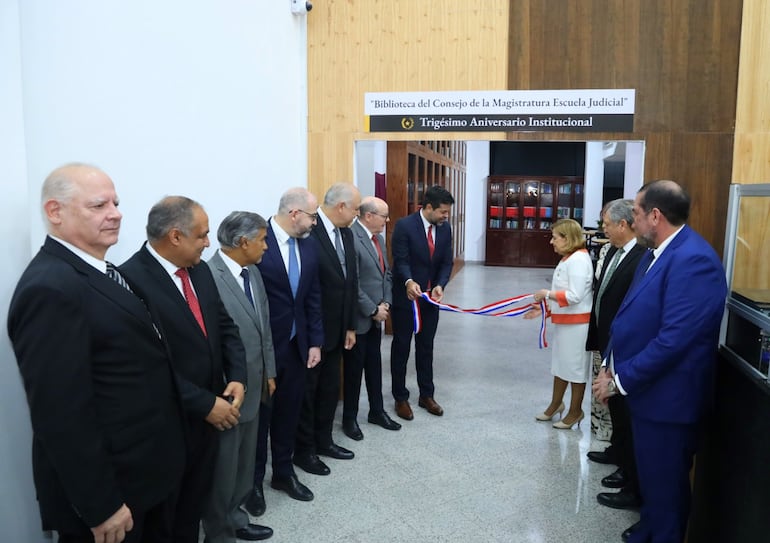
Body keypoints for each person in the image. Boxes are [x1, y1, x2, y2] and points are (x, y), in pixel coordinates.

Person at [7, 163, 186, 543]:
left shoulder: (102, 272)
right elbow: (61, 413)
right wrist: (100, 504)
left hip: (146, 476)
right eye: (99, 205)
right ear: (55, 212)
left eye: (116, 203)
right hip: (112, 499)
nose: (116, 214)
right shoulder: (51, 288)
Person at [593, 180, 727, 543]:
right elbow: (627, 315)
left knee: (667, 487)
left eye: (635, 214)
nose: (631, 222)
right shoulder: (655, 253)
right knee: (652, 480)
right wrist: (609, 362)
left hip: (670, 401)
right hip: (646, 394)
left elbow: (674, 341)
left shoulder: (694, 260)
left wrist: (619, 381)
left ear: (655, 215)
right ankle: (648, 530)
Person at [120, 197, 247, 543]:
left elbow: (225, 327)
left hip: (209, 420)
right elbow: (145, 367)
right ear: (175, 236)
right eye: (202, 236)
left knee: (193, 509)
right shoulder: (130, 281)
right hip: (168, 424)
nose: (209, 243)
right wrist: (204, 404)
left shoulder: (199, 270)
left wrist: (237, 376)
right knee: (167, 521)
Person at [243, 188, 324, 515]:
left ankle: (284, 472)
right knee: (261, 418)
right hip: (263, 348)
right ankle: (253, 483)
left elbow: (312, 296)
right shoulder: (255, 240)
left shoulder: (309, 246)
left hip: (296, 345)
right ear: (294, 214)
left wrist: (315, 340)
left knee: (290, 411)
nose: (315, 222)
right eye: (312, 215)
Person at [202, 211, 276, 542]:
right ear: (242, 242)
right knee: (223, 469)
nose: (266, 247)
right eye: (262, 240)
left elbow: (264, 328)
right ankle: (219, 532)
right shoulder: (207, 276)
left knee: (245, 463)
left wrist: (269, 372)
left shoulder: (253, 272)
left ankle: (236, 515)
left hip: (257, 384)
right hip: (228, 392)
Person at [294, 183, 360, 475]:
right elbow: (307, 288)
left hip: (337, 331)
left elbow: (349, 282)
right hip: (313, 334)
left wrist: (350, 326)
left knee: (330, 390)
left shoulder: (345, 233)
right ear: (341, 206)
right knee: (309, 394)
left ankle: (324, 441)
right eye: (356, 208)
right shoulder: (310, 230)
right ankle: (304, 452)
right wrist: (314, 336)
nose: (358, 214)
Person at [585, 199, 645, 511]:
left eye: (606, 223)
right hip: (607, 340)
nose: (602, 229)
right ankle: (616, 453)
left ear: (623, 225)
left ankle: (628, 471)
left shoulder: (641, 257)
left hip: (624, 347)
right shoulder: (613, 251)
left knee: (624, 410)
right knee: (615, 409)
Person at [390, 185, 455, 420]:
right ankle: (400, 397)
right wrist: (408, 281)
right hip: (407, 299)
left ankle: (426, 394)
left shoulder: (445, 229)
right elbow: (400, 260)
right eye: (443, 212)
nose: (446, 217)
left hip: (430, 300)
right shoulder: (405, 226)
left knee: (426, 347)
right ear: (428, 207)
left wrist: (440, 284)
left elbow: (447, 261)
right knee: (402, 347)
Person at [341, 196, 401, 441]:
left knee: (375, 367)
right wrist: (372, 309)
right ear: (368, 216)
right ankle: (350, 418)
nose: (387, 220)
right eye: (383, 216)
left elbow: (386, 273)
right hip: (359, 319)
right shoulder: (351, 238)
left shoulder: (377, 238)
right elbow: (351, 283)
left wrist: (385, 303)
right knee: (354, 372)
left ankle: (377, 411)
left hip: (378, 315)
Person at [527, 218, 593, 430]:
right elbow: (564, 294)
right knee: (560, 366)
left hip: (577, 326)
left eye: (555, 238)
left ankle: (575, 411)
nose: (551, 242)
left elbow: (574, 295)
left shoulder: (578, 261)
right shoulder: (568, 258)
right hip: (565, 322)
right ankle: (556, 404)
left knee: (575, 369)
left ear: (567, 238)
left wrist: (547, 293)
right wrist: (544, 310)